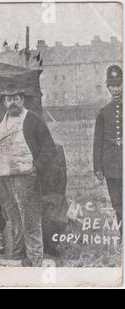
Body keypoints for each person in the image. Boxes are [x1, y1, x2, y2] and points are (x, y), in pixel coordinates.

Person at [0, 84, 56, 266]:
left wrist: (36, 168)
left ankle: (35, 260)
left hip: (25, 178)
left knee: (30, 220)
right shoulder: (1, 123)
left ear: (22, 100)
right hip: (3, 178)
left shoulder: (33, 120)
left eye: (16, 98)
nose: (13, 103)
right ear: (4, 102)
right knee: (14, 220)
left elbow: (49, 148)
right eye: (9, 99)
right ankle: (17, 257)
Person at [94, 65, 122, 235]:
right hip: (111, 165)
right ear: (108, 87)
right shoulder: (104, 112)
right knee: (117, 202)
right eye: (112, 85)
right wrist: (98, 167)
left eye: (119, 84)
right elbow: (98, 141)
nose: (116, 89)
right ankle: (122, 236)